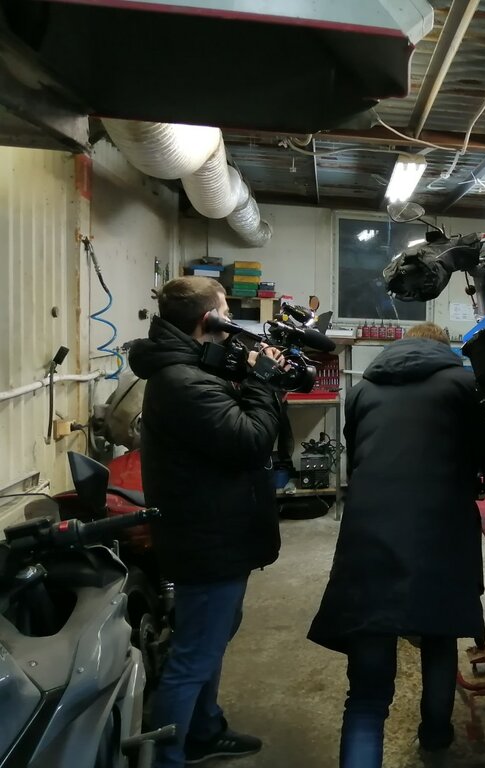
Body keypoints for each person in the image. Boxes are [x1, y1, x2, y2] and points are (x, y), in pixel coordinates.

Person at [308, 322, 485, 768]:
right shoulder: (465, 386)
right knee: (438, 635)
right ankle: (436, 738)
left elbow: (360, 455)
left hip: (367, 538)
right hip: (439, 535)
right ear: (444, 350)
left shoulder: (361, 392)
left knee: (366, 695)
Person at [129, 276, 284, 768]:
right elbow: (250, 441)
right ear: (208, 319)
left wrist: (248, 373)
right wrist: (262, 382)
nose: (231, 322)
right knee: (193, 655)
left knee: (208, 644)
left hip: (215, 530)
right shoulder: (182, 381)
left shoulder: (188, 368)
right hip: (206, 539)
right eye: (225, 313)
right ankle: (167, 758)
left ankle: (203, 730)